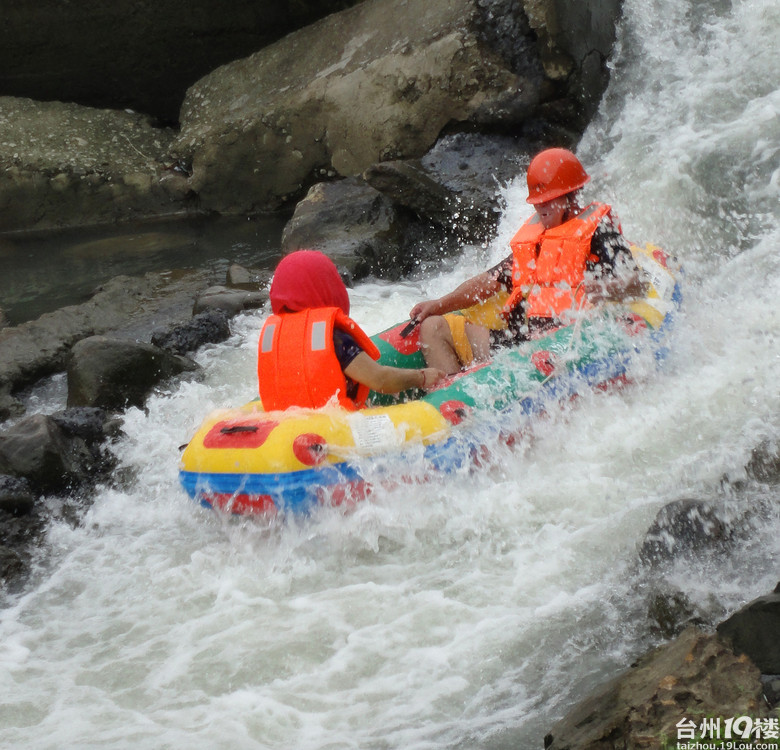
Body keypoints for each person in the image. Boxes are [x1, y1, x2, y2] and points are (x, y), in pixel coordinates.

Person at [409, 147, 648, 374]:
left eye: (548, 199)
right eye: (537, 201)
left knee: (534, 349)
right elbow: (490, 281)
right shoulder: (538, 238)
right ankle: (451, 401)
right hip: (519, 345)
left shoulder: (599, 232)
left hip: (563, 347)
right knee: (433, 327)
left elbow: (639, 284)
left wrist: (606, 289)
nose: (540, 207)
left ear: (571, 195)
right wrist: (438, 304)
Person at [258, 250, 446, 411]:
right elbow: (379, 379)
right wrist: (421, 377)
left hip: (285, 426)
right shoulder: (333, 337)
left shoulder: (275, 336)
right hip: (333, 431)